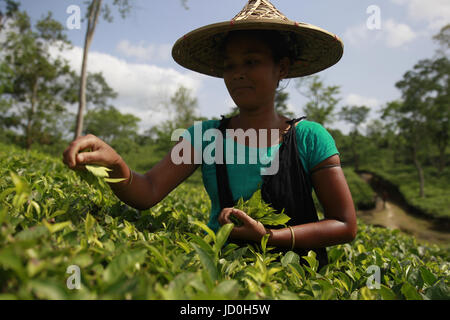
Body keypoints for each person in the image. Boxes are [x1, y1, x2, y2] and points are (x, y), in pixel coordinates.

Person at [63, 0, 356, 264]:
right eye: (230, 65)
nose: (238, 73)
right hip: (221, 268)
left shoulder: (310, 138)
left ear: (281, 68)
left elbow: (344, 225)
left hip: (294, 278)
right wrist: (116, 165)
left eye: (251, 62)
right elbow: (148, 191)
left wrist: (269, 236)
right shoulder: (204, 137)